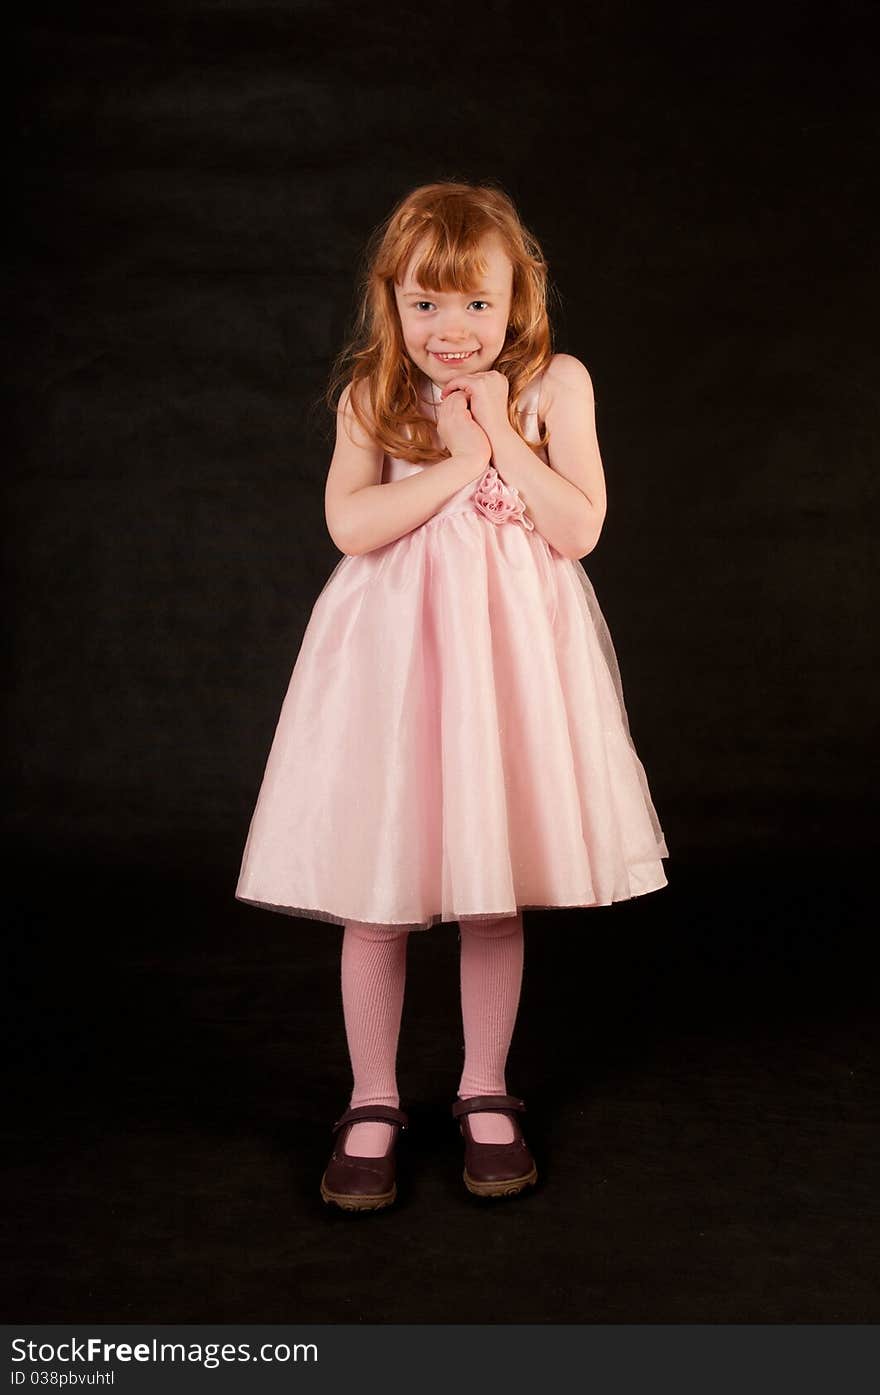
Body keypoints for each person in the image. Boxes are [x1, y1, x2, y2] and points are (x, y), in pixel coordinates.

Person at [235, 180, 669, 1211]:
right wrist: (456, 459)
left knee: (491, 883)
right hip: (395, 661)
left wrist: (501, 438)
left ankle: (484, 1088)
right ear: (389, 303)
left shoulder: (555, 382)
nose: (451, 328)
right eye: (425, 303)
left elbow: (577, 528)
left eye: (476, 303)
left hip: (507, 661)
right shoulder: (371, 395)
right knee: (378, 885)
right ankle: (373, 1097)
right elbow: (352, 526)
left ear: (517, 299)